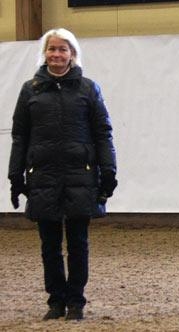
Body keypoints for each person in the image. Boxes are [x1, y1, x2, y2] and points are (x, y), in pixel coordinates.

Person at [8, 28, 118, 321]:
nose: (56, 54)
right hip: (43, 175)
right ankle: (55, 299)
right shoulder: (30, 90)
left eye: (62, 49)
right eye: (52, 49)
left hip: (80, 175)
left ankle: (76, 300)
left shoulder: (88, 89)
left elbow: (103, 133)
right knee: (50, 244)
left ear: (72, 54)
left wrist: (108, 170)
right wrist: (15, 175)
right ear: (45, 53)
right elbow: (20, 136)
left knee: (79, 242)